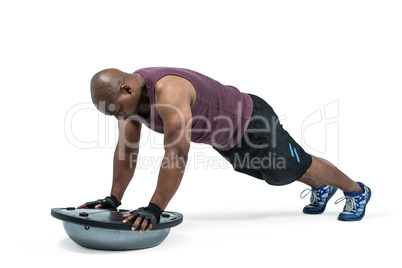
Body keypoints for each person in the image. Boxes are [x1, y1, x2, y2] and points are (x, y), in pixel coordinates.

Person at [78, 67, 371, 233]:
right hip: (224, 139)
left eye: (117, 111)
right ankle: (321, 188)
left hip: (251, 120)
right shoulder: (129, 107)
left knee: (299, 164)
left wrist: (155, 209)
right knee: (277, 175)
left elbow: (177, 153)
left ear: (127, 89)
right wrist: (113, 199)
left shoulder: (168, 90)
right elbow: (126, 152)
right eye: (111, 115)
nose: (118, 118)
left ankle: (356, 191)